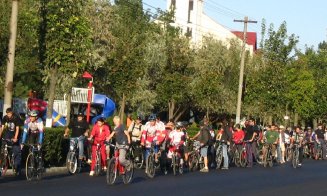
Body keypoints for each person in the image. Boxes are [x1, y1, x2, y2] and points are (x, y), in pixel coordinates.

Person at [0, 108, 22, 175]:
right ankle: (4, 157)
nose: (8, 115)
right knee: (4, 144)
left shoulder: (16, 118)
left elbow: (17, 129)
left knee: (16, 151)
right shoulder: (5, 117)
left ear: (12, 113)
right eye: (7, 114)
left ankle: (16, 166)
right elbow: (2, 127)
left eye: (9, 114)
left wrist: (15, 138)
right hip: (8, 133)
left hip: (16, 134)